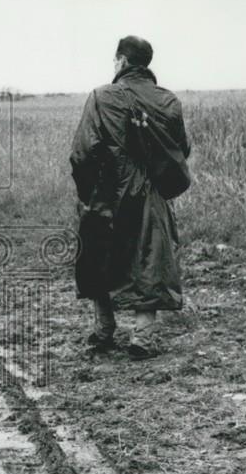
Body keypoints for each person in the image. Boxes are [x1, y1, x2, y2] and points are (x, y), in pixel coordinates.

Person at [70, 35, 191, 360]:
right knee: (149, 257)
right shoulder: (168, 100)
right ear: (146, 63)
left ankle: (103, 329)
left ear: (122, 61)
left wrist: (87, 195)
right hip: (151, 194)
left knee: (99, 255)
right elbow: (182, 150)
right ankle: (144, 335)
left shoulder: (101, 97)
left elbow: (83, 153)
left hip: (107, 193)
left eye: (115, 60)